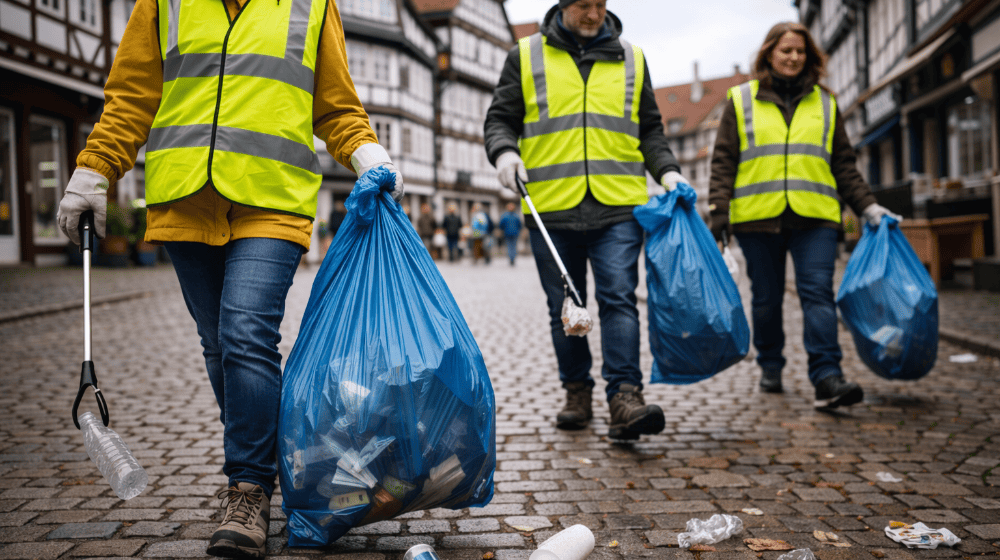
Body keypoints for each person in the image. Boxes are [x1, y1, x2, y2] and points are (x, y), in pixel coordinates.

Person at [54, 0, 404, 555]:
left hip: (271, 199)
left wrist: (366, 153)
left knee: (245, 334)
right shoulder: (163, 4)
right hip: (186, 199)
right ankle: (300, 459)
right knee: (220, 345)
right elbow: (132, 97)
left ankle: (247, 488)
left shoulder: (311, 6)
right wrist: (94, 169)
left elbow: (335, 105)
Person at [484, 0, 688, 440]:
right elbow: (501, 119)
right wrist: (504, 152)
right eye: (583, 5)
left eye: (600, 4)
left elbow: (649, 129)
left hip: (618, 205)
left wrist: (667, 171)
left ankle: (624, 397)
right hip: (550, 206)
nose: (593, 13)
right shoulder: (526, 55)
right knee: (566, 307)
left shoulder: (632, 59)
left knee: (618, 297)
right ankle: (577, 391)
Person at [708, 22, 900, 408]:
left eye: (800, 51)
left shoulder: (826, 103)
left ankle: (827, 375)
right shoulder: (741, 100)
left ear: (809, 57)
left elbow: (843, 165)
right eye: (786, 51)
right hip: (756, 218)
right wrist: (718, 212)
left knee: (818, 296)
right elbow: (724, 161)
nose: (793, 57)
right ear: (768, 55)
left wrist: (868, 207)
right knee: (766, 299)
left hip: (816, 218)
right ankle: (771, 364)